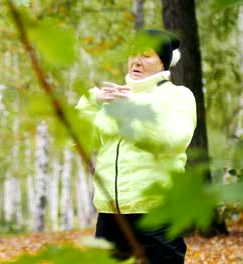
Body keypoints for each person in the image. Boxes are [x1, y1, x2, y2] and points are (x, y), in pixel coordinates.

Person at [76, 29, 196, 263]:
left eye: (147, 55)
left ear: (164, 64)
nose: (136, 61)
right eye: (133, 54)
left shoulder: (178, 97)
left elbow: (174, 140)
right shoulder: (114, 99)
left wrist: (138, 107)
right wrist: (92, 101)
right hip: (111, 216)